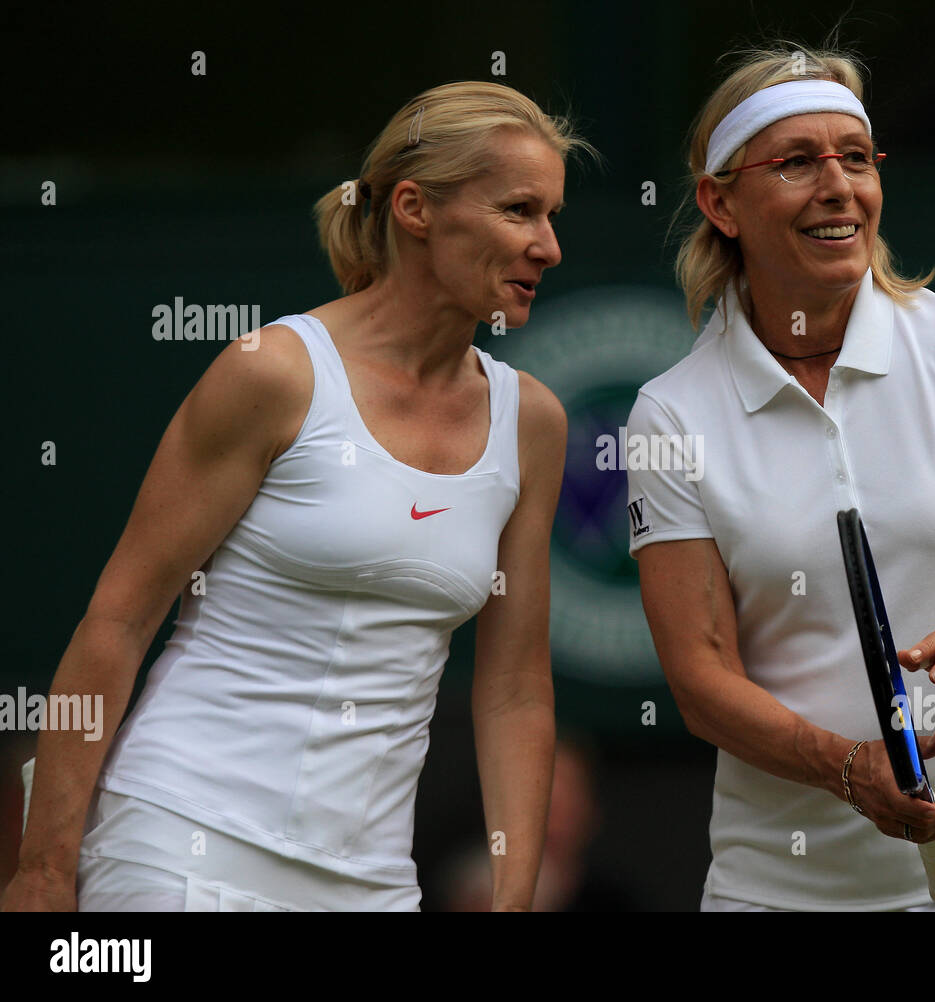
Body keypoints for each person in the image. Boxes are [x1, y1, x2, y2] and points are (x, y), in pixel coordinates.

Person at [2, 81, 585, 912]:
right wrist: (43, 871)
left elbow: (516, 690)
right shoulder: (270, 372)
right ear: (415, 208)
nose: (549, 246)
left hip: (374, 881)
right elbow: (118, 620)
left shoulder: (532, 422)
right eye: (521, 211)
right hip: (177, 842)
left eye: (552, 215)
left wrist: (514, 899)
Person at [627, 45, 935, 911]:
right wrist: (847, 770)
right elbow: (702, 677)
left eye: (855, 158)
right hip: (779, 888)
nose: (838, 187)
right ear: (721, 202)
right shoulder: (670, 417)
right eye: (795, 164)